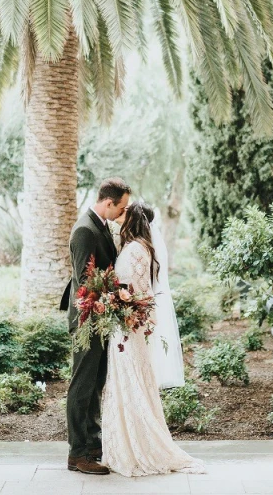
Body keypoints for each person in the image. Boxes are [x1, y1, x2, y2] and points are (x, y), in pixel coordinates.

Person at [101, 201, 206, 476]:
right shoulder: (132, 246)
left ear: (132, 218)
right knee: (126, 382)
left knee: (131, 382)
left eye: (124, 213)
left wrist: (121, 306)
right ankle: (125, 444)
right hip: (122, 328)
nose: (119, 215)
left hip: (128, 329)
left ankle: (140, 447)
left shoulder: (137, 250)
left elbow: (142, 294)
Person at [61, 177, 131, 475]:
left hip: (100, 320)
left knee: (95, 384)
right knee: (82, 385)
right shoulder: (85, 231)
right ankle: (77, 453)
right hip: (87, 321)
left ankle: (92, 444)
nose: (122, 212)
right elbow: (85, 283)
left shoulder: (99, 226)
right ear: (108, 202)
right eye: (121, 207)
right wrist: (118, 295)